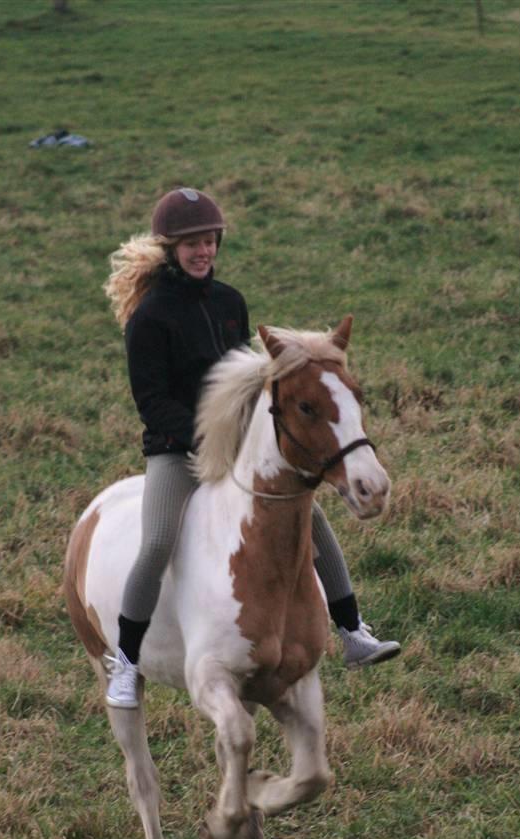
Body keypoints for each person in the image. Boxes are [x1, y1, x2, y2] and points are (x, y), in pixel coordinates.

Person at [103, 187, 400, 708]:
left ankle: (353, 631)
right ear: (171, 250)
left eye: (209, 241)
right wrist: (207, 434)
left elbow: (240, 380)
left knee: (309, 516)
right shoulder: (149, 318)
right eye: (191, 244)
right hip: (177, 449)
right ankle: (125, 663)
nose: (203, 252)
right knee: (155, 544)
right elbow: (152, 403)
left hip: (238, 442)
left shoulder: (229, 303)